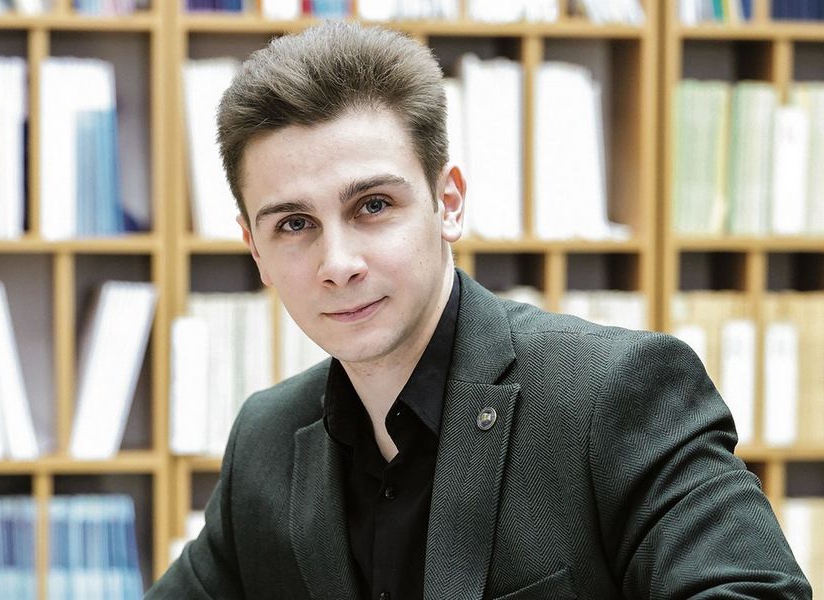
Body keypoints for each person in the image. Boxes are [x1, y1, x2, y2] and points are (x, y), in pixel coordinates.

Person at [146, 21, 811, 600]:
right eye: (294, 224)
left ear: (449, 204)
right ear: (255, 250)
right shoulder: (265, 441)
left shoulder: (613, 392)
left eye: (373, 206)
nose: (337, 262)